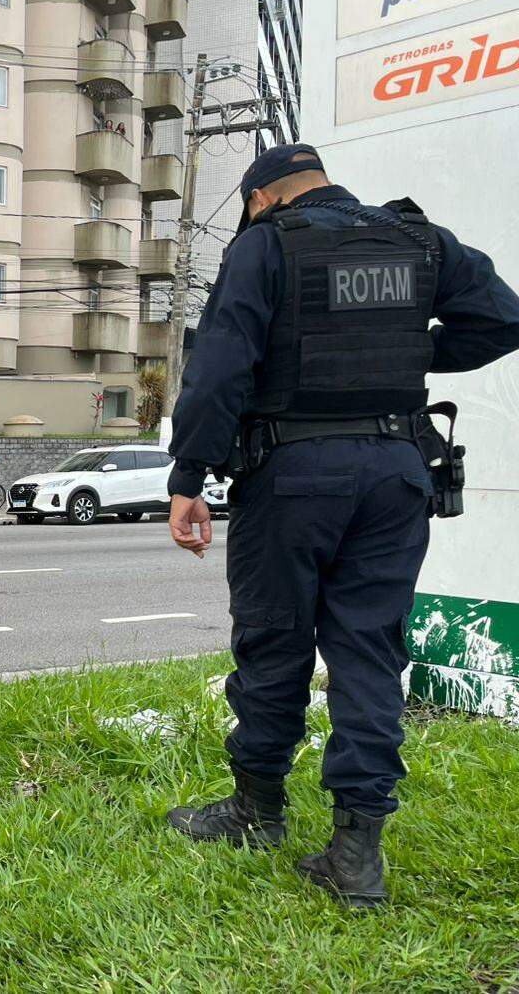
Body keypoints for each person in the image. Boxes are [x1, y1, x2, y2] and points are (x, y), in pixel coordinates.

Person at [164, 144, 519, 908]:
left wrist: (189, 478)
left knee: (275, 638)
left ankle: (257, 811)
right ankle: (357, 853)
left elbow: (220, 368)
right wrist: (407, 350)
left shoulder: (268, 245)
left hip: (292, 471)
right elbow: (502, 318)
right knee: (368, 649)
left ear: (262, 200)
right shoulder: (418, 241)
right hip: (396, 468)